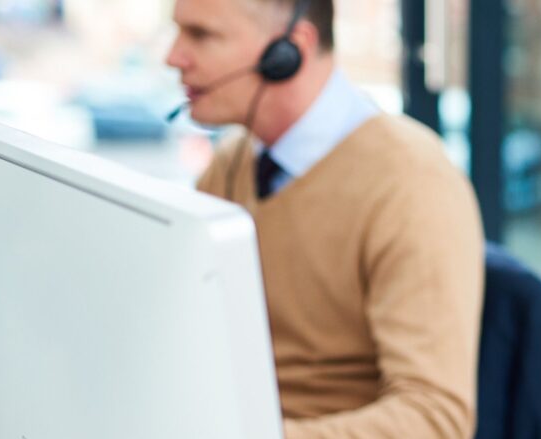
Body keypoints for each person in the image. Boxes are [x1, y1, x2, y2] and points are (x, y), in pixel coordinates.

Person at [165, 0, 485, 437]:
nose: (173, 57)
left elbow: (435, 420)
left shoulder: (411, 182)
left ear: (290, 49)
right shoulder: (231, 165)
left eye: (202, 35)